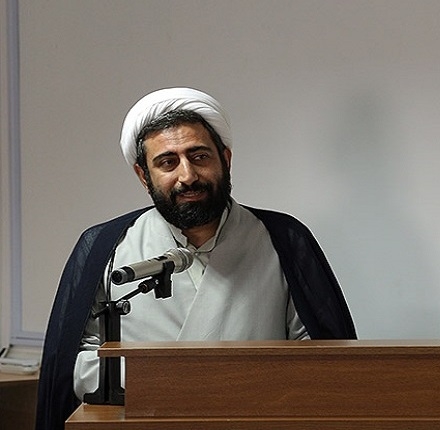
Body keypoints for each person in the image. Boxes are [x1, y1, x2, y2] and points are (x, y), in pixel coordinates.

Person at [35, 87, 356, 430]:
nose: (187, 176)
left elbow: (318, 358)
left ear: (225, 160)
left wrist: (217, 387)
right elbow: (79, 359)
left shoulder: (284, 239)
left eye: (199, 156)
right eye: (167, 162)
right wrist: (178, 385)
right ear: (144, 176)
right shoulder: (104, 246)